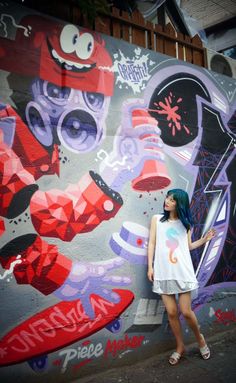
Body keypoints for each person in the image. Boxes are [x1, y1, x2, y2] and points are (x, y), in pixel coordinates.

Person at [147, 188, 216, 365]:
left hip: (182, 271)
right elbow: (152, 243)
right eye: (167, 198)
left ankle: (200, 339)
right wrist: (150, 266)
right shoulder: (157, 220)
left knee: (185, 311)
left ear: (180, 203)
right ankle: (180, 347)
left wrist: (204, 240)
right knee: (171, 312)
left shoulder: (186, 224)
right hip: (163, 271)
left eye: (172, 199)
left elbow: (189, 246)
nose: (167, 201)